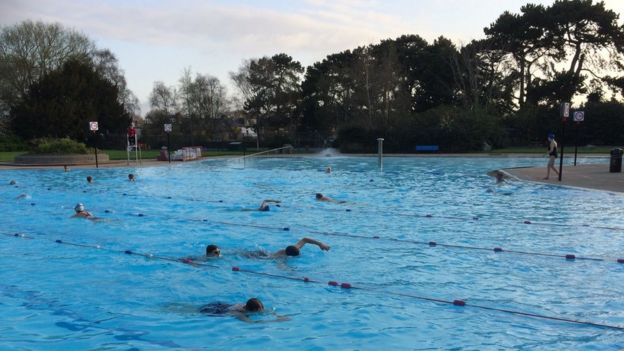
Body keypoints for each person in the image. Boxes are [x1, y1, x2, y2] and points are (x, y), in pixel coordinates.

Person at [199, 298, 289, 323]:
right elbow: (250, 322)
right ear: (252, 310)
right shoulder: (238, 313)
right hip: (213, 311)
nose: (262, 311)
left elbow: (270, 310)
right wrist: (274, 321)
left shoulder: (251, 306)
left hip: (222, 304)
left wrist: (279, 316)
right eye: (259, 310)